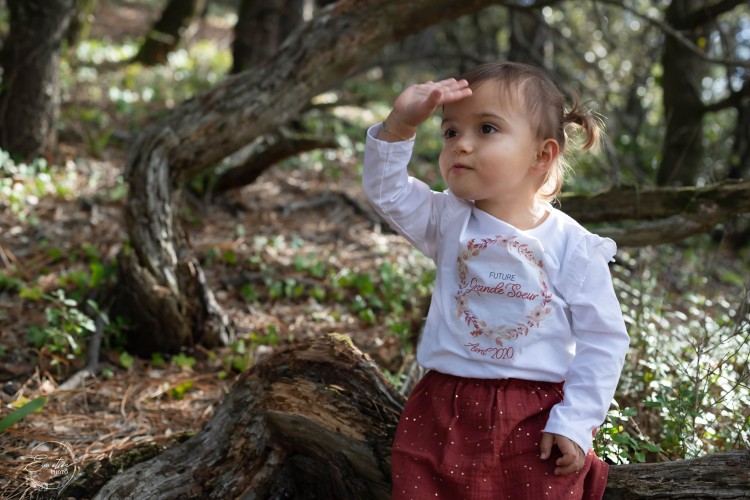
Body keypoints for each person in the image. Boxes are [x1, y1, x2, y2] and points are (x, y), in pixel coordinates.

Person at [362, 61, 630, 500]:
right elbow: (387, 192)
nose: (461, 145)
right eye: (450, 132)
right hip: (441, 408)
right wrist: (399, 126)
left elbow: (604, 340)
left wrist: (575, 422)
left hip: (534, 417)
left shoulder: (573, 246)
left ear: (542, 156)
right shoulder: (447, 219)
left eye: (486, 129)